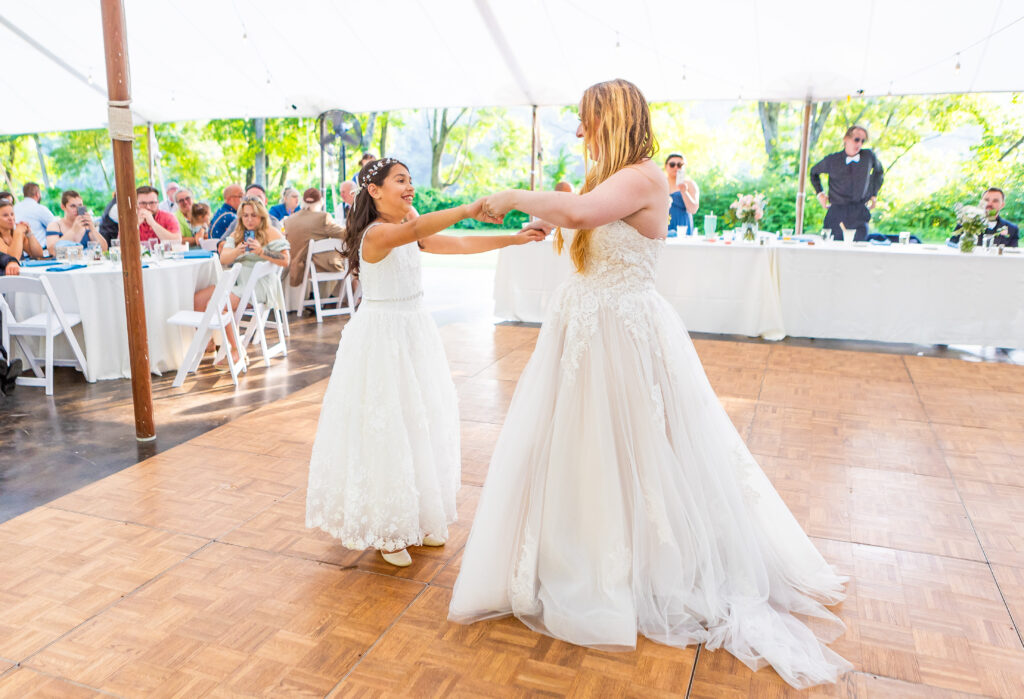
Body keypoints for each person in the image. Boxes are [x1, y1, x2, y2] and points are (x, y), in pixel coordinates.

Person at [447, 79, 852, 690]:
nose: (579, 132)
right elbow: (585, 223)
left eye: (587, 120)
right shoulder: (609, 179)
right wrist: (540, 224)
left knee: (634, 446)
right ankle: (571, 554)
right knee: (580, 448)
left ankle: (635, 566)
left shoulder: (642, 176)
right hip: (586, 327)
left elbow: (584, 215)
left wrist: (508, 194)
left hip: (622, 331)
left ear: (613, 118)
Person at [305, 157, 543, 569]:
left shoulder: (407, 227)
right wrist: (470, 209)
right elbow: (416, 230)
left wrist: (513, 240)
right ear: (375, 191)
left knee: (420, 423)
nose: (410, 187)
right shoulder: (378, 234)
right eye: (401, 180)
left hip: (413, 332)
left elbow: (457, 244)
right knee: (387, 428)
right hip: (382, 338)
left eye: (411, 180)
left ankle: (417, 515)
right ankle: (388, 528)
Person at [193, 197, 290, 364]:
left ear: (261, 216)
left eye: (253, 215)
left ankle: (237, 349)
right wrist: (238, 251)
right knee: (198, 299)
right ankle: (208, 344)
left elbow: (285, 260)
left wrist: (261, 252)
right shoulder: (237, 233)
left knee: (218, 304)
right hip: (237, 281)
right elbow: (223, 259)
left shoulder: (271, 231)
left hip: (259, 283)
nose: (249, 219)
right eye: (245, 215)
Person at [810, 126, 884, 241]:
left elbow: (879, 173)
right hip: (836, 213)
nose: (859, 144)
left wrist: (873, 194)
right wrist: (820, 194)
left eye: (862, 141)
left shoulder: (868, 156)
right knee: (833, 251)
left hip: (859, 212)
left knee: (860, 251)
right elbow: (813, 172)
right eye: (856, 139)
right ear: (846, 139)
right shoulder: (832, 160)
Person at [284, 187, 345, 288]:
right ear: (320, 202)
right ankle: (347, 300)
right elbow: (345, 234)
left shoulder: (289, 220)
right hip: (316, 271)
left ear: (303, 201)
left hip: (294, 272)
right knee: (349, 260)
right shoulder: (322, 218)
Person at [950, 187, 1019, 248]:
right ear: (981, 202)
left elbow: (1012, 256)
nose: (989, 204)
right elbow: (951, 247)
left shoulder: (1012, 229)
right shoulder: (966, 223)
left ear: (1002, 205)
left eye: (995, 201)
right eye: (986, 200)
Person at [45, 190, 107, 256]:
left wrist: (92, 228)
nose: (77, 209)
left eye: (80, 205)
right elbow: (52, 252)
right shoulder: (55, 226)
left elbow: (104, 250)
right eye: (73, 206)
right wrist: (73, 231)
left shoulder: (86, 227)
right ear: (63, 207)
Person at [664, 153, 699, 236]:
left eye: (680, 165)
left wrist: (684, 191)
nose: (676, 167)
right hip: (663, 227)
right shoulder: (660, 184)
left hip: (683, 227)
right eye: (672, 164)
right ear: (666, 166)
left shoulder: (690, 184)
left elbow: (693, 209)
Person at [13, 182, 55, 247]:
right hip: (40, 251)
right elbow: (55, 226)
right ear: (37, 194)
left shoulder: (15, 207)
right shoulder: (40, 208)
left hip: (20, 250)